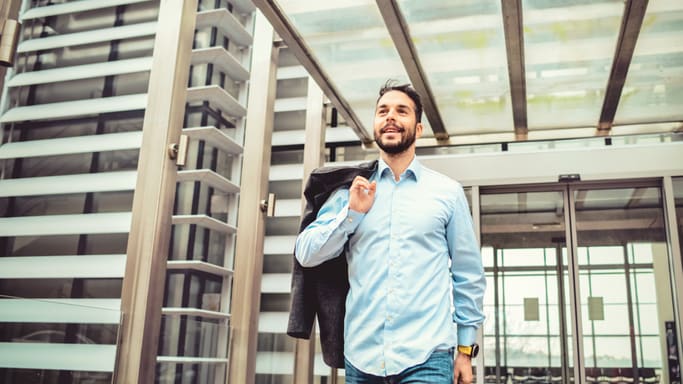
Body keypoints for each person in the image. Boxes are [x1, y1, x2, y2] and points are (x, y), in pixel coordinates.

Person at [294, 80, 486, 384]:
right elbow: (306, 254)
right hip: (361, 358)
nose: (390, 117)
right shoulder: (349, 192)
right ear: (375, 126)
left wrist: (465, 350)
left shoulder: (447, 193)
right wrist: (351, 214)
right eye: (382, 111)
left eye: (402, 111)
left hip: (427, 357)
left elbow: (468, 275)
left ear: (418, 129)